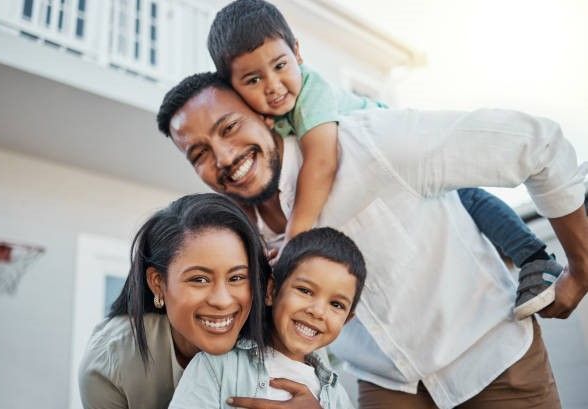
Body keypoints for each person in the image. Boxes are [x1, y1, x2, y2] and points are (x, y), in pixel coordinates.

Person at [156, 73, 588, 408]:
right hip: (386, 389)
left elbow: (537, 144)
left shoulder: (371, 144)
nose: (225, 157)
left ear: (264, 114)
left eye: (230, 127)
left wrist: (580, 269)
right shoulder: (240, 240)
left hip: (496, 364)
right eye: (199, 153)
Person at [206, 0, 563, 319]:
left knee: (467, 196)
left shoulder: (312, 89)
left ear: (298, 53)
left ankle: (535, 258)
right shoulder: (264, 119)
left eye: (280, 65)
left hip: (403, 153)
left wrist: (295, 236)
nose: (272, 85)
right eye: (253, 79)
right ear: (234, 88)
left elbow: (321, 162)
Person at [79, 193, 278, 409]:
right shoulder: (110, 363)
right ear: (158, 283)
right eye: (199, 279)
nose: (222, 301)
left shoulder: (281, 337)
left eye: (237, 278)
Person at [169, 227, 366, 409]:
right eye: (305, 291)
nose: (318, 311)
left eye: (336, 305)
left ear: (347, 320)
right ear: (271, 291)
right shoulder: (216, 366)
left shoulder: (336, 396)